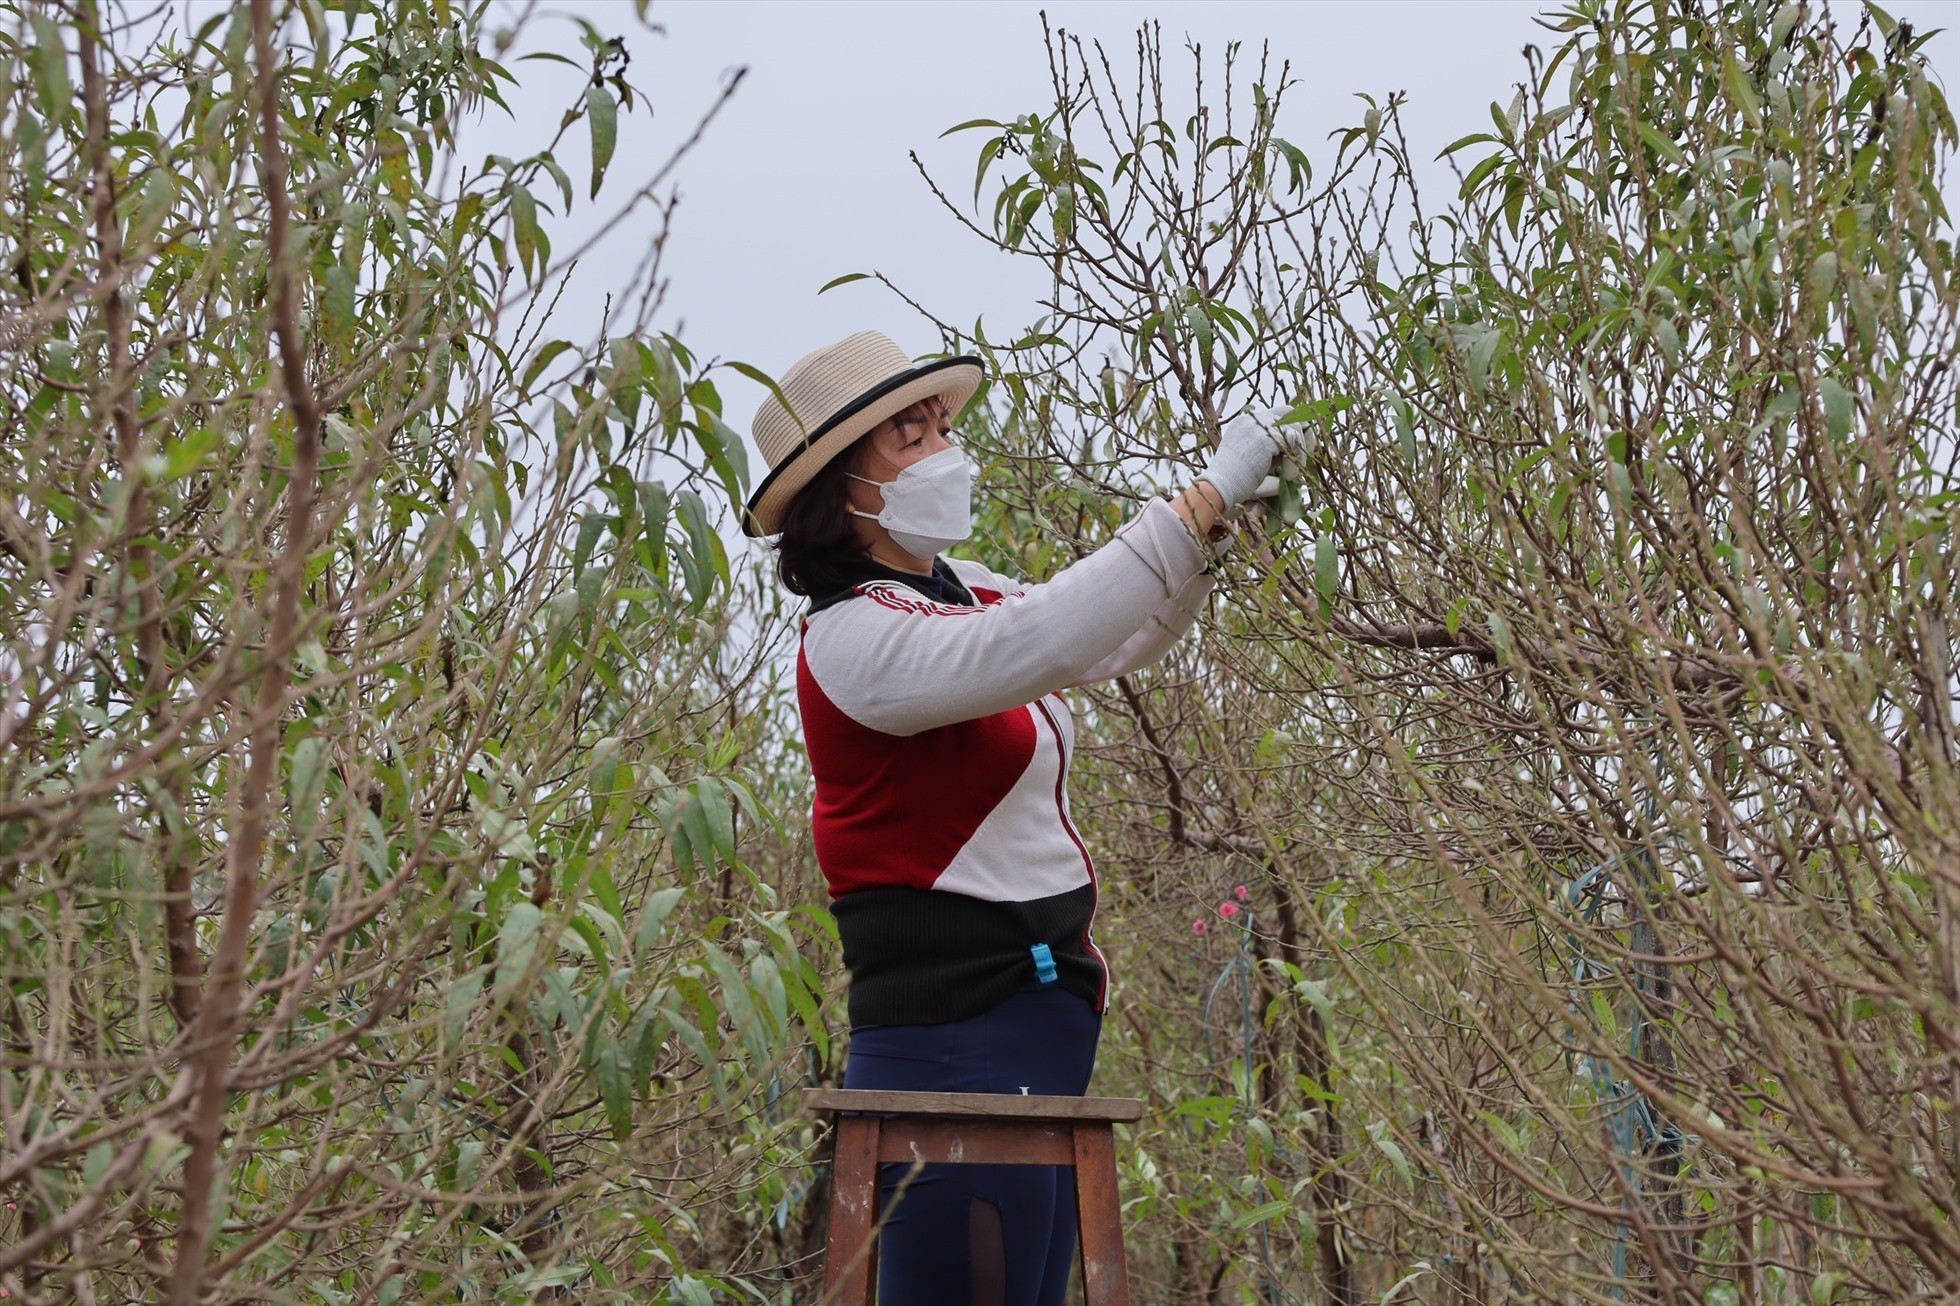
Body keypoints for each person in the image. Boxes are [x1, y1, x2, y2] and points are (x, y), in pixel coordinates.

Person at [743, 330, 1296, 1306]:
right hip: (952, 1043)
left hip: (1038, 1029)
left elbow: (1111, 633)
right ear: (841, 487)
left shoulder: (963, 590)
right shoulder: (854, 639)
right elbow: (1041, 638)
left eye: (941, 426)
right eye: (912, 436)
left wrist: (1217, 532)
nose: (943, 450)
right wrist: (1198, 498)